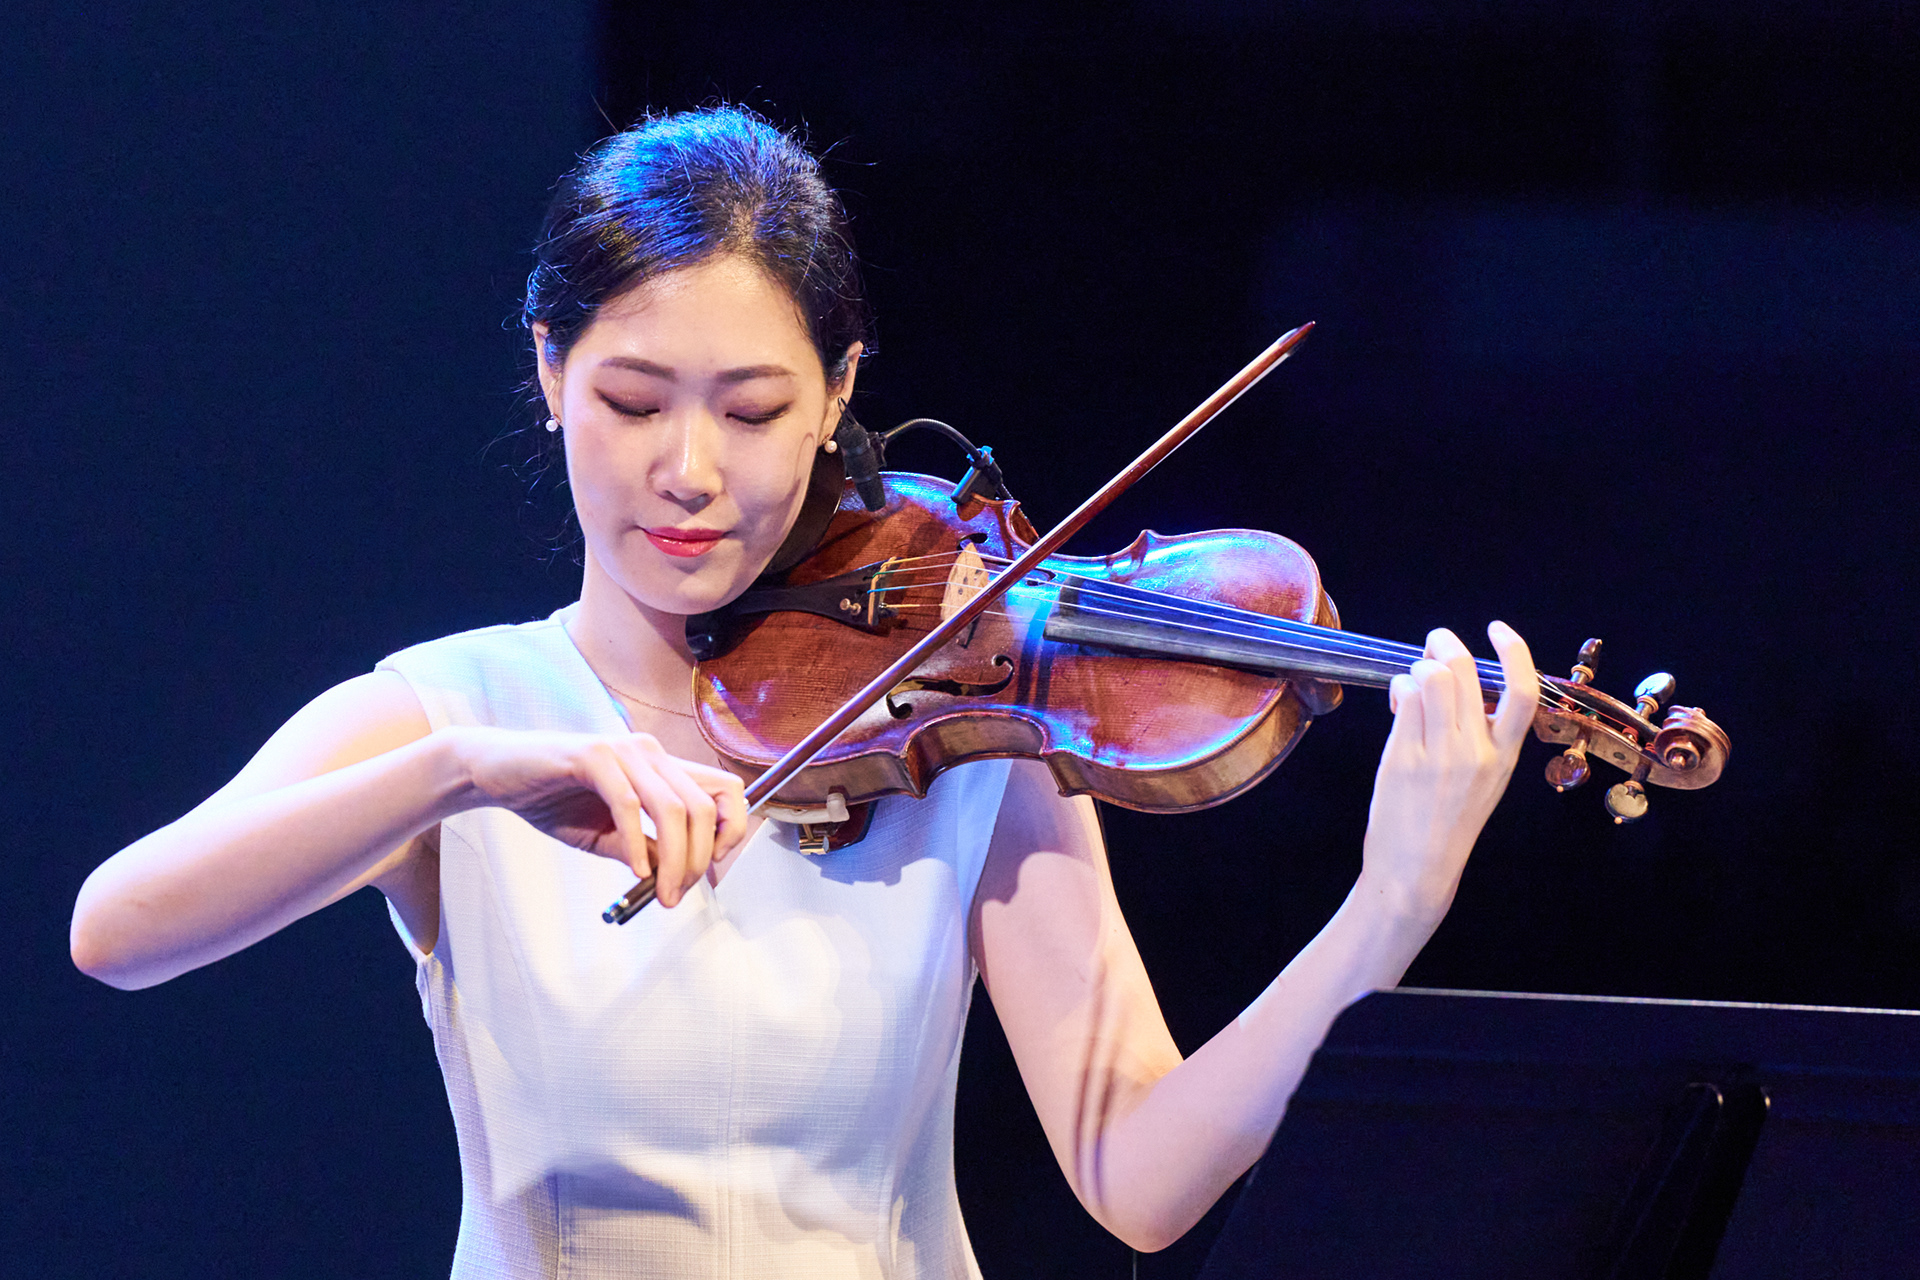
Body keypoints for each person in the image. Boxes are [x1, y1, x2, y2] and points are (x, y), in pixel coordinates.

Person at [70, 106, 1539, 1279]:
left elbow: (1140, 1175)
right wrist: (461, 773)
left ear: (837, 393)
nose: (690, 472)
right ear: (550, 372)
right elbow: (117, 933)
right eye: (632, 402)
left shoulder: (953, 723)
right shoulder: (457, 711)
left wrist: (1389, 906)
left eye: (755, 410)